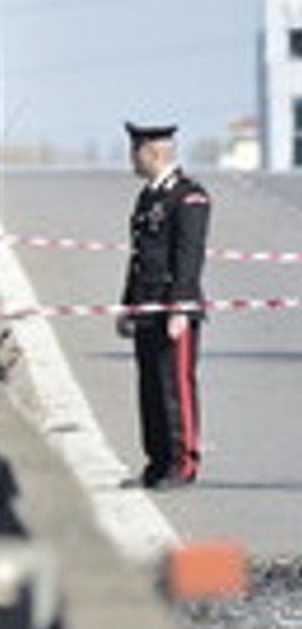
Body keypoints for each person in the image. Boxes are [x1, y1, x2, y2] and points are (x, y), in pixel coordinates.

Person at [115, 121, 210, 490]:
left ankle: (183, 464)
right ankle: (157, 462)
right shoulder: (148, 197)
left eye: (135, 151)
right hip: (146, 307)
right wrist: (128, 305)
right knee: (150, 389)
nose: (131, 159)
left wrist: (181, 307)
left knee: (176, 387)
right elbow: (140, 257)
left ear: (152, 153)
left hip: (173, 309)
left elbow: (189, 255)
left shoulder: (188, 197)